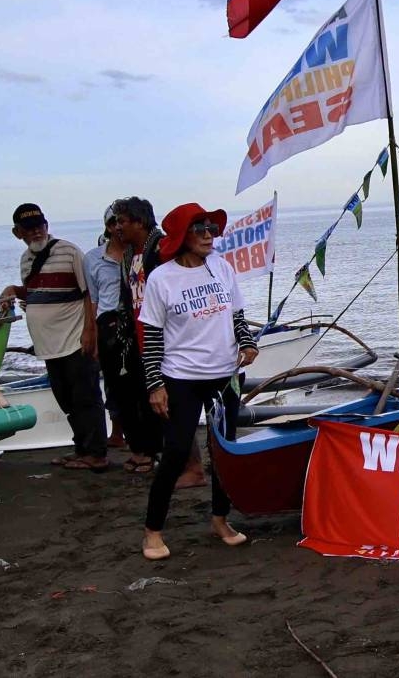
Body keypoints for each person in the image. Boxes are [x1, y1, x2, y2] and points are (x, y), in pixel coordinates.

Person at [140, 202, 258, 560]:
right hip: (182, 379)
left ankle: (220, 520)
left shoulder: (222, 267)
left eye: (212, 228)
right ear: (181, 237)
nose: (210, 235)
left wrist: (247, 342)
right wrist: (154, 385)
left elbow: (237, 316)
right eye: (200, 229)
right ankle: (152, 532)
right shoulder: (162, 278)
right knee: (176, 452)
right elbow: (152, 335)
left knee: (224, 448)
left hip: (225, 376)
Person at [0, 203, 107, 471]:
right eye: (29, 228)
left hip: (74, 340)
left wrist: (89, 332)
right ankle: (82, 448)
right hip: (48, 346)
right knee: (66, 400)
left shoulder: (69, 251)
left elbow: (88, 293)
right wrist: (13, 289)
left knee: (86, 397)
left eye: (40, 226)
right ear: (18, 233)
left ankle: (96, 453)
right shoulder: (25, 260)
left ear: (47, 226)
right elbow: (38, 290)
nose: (36, 232)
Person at [85, 204, 153, 468]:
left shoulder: (140, 253)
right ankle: (136, 446)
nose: (118, 227)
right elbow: (91, 300)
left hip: (138, 323)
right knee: (118, 391)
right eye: (114, 222)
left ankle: (147, 450)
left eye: (122, 222)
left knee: (143, 390)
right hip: (109, 324)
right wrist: (89, 333)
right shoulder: (93, 259)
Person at [110, 196, 166, 472]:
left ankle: (164, 455)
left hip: (164, 338)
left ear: (140, 222)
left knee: (164, 400)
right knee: (139, 398)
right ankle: (146, 450)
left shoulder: (162, 249)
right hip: (137, 336)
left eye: (122, 221)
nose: (117, 227)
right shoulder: (129, 256)